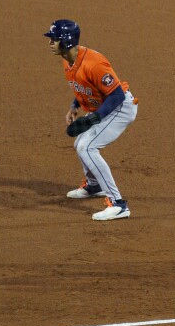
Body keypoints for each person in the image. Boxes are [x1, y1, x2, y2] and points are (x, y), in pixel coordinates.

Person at [44, 19, 138, 221]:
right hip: (103, 107)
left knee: (87, 147)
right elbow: (82, 85)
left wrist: (94, 118)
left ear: (67, 41)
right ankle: (94, 185)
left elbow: (117, 95)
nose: (51, 43)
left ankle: (118, 204)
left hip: (120, 108)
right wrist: (74, 107)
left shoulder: (94, 63)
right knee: (80, 143)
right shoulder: (67, 59)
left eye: (54, 39)